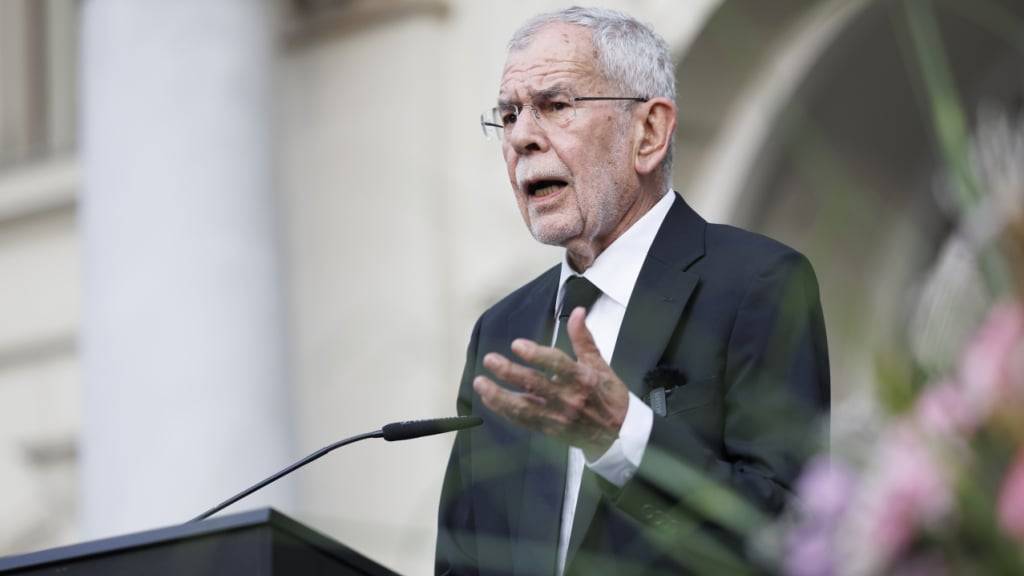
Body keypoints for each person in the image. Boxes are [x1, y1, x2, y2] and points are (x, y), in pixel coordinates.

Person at [436, 7, 829, 576]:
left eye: (555, 105)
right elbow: (460, 561)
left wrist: (622, 437)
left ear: (647, 132)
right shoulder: (501, 330)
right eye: (509, 114)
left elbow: (788, 532)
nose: (521, 136)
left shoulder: (758, 284)